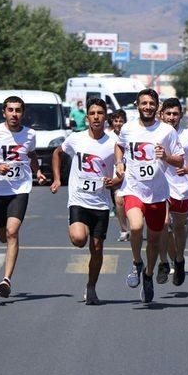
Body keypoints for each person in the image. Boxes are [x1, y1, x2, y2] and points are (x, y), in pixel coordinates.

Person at [0, 96, 47, 298]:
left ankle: (6, 279)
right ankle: (7, 248)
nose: (14, 114)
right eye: (10, 110)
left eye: (18, 110)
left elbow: (31, 155)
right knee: (2, 235)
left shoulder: (30, 134)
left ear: (23, 113)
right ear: (4, 112)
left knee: (13, 232)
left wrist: (37, 171)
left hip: (20, 189)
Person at [115, 89, 184, 303]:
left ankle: (148, 274)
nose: (147, 107)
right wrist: (119, 163)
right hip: (133, 188)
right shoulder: (128, 128)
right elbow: (119, 146)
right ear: (137, 104)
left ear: (157, 106)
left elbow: (180, 160)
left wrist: (167, 156)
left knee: (154, 240)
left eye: (151, 103)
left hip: (157, 193)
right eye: (143, 103)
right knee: (135, 227)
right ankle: (137, 263)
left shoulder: (167, 131)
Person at [50, 98, 121, 305]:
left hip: (100, 203)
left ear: (105, 116)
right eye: (93, 113)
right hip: (79, 199)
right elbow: (57, 153)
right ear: (87, 117)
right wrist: (57, 178)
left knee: (97, 248)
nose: (96, 116)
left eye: (100, 113)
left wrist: (113, 181)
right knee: (79, 239)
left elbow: (121, 173)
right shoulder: (76, 138)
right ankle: (75, 227)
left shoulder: (113, 143)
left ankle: (91, 287)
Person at [157, 97, 188, 286]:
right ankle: (164, 262)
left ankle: (179, 260)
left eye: (175, 114)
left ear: (180, 115)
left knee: (178, 229)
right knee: (162, 224)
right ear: (162, 115)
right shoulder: (154, 133)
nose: (172, 117)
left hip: (181, 187)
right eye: (168, 114)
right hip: (158, 186)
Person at [108, 109, 130, 241]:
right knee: (118, 200)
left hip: (130, 173)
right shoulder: (107, 136)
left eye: (121, 121)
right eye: (116, 121)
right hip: (114, 172)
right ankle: (124, 230)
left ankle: (136, 227)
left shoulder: (129, 134)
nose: (118, 123)